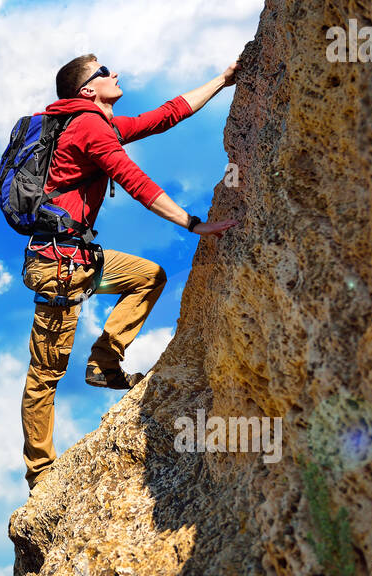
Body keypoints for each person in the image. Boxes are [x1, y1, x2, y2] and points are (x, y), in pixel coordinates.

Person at [21, 53, 239, 491]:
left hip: (78, 259)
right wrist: (194, 224)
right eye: (104, 72)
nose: (114, 73)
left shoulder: (90, 123)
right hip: (59, 266)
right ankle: (40, 473)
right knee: (44, 375)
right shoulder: (87, 127)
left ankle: (104, 362)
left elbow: (164, 117)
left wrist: (223, 78)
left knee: (148, 276)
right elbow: (134, 181)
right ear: (87, 90)